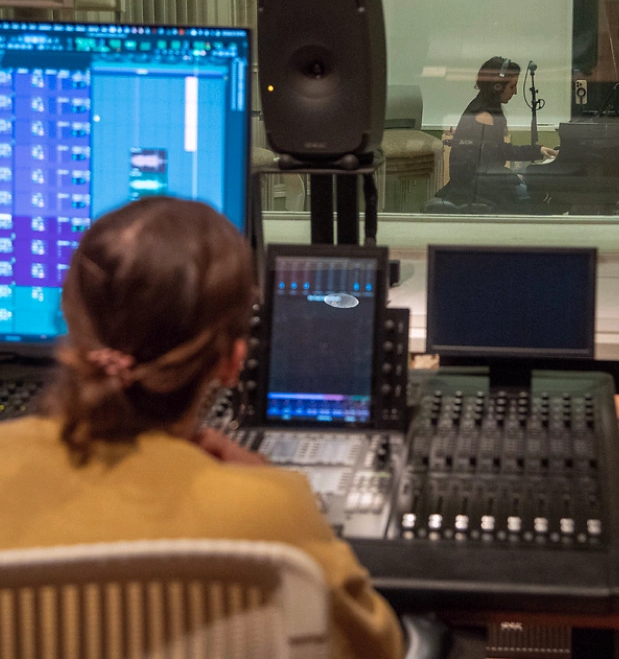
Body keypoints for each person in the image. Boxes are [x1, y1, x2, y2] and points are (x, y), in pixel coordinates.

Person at [0, 196, 403, 659]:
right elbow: (378, 647)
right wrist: (270, 485)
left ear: (70, 321)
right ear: (233, 362)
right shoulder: (272, 511)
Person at [436, 56, 558, 210]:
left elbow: (497, 151)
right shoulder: (483, 116)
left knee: (530, 181)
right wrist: (514, 177)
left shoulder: (483, 108)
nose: (515, 93)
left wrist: (538, 150)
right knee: (539, 196)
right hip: (475, 188)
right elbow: (483, 165)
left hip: (481, 182)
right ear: (497, 87)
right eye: (512, 87)